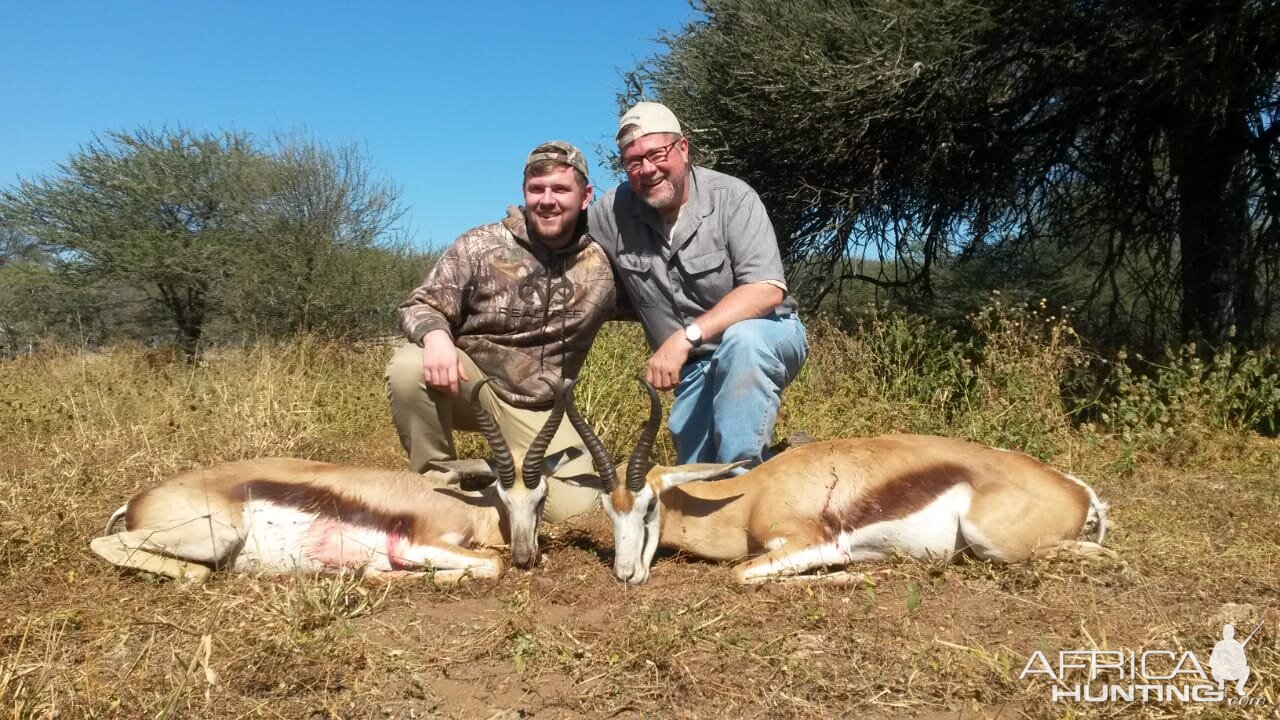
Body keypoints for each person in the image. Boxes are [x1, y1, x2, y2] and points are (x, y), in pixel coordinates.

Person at [386, 141, 615, 521]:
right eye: (536, 189)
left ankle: (498, 467)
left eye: (560, 189)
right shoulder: (480, 244)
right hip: (470, 388)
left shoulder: (603, 264)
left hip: (541, 407)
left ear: (586, 195)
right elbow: (419, 304)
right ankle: (436, 488)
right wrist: (437, 337)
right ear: (524, 192)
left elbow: (656, 300)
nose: (547, 200)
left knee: (576, 513)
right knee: (410, 366)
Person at [589, 101, 807, 470]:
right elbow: (557, 236)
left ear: (683, 149)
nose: (647, 170)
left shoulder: (733, 197)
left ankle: (746, 486)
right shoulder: (612, 212)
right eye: (633, 162)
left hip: (769, 334)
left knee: (743, 348)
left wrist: (683, 338)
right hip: (695, 366)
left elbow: (767, 289)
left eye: (656, 154)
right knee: (697, 476)